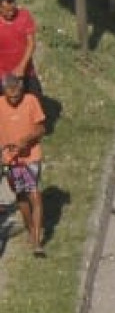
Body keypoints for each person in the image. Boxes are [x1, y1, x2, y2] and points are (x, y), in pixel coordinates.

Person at [0, 68, 48, 257]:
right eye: (10, 97)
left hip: (31, 157)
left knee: (34, 194)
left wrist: (26, 140)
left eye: (17, 95)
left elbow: (41, 128)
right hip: (11, 161)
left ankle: (37, 242)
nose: (14, 100)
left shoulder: (31, 101)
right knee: (21, 196)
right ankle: (31, 231)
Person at [0, 0, 41, 102]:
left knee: (35, 100)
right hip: (3, 72)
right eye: (7, 11)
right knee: (6, 104)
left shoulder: (24, 15)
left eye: (13, 9)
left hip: (26, 70)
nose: (11, 13)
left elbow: (31, 43)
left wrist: (22, 66)